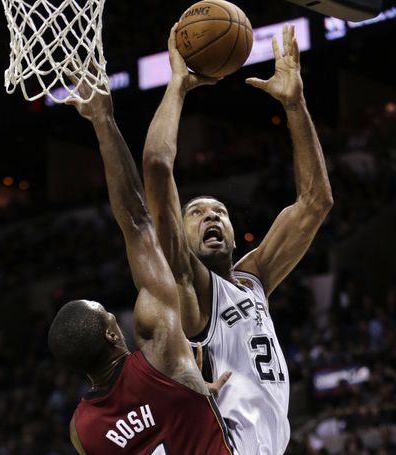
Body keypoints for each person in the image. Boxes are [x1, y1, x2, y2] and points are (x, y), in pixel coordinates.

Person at [142, 23, 333, 455]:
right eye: (196, 213)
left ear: (231, 234)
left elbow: (315, 202)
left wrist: (296, 105)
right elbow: (156, 166)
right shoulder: (192, 291)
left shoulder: (253, 278)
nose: (211, 215)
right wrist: (177, 85)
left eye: (220, 212)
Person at [47, 82, 235, 454]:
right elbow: (137, 221)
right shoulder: (162, 354)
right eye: (109, 316)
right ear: (113, 336)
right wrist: (103, 120)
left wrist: (193, 399)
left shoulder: (81, 431)